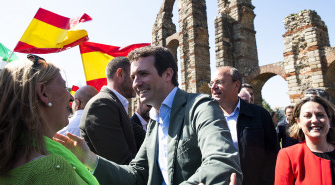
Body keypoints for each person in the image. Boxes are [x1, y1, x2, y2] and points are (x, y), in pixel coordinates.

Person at [55, 46, 242, 185]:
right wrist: (90, 159)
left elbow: (222, 163)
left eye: (143, 74)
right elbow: (137, 174)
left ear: (168, 74)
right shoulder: (155, 122)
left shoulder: (200, 107)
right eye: (134, 76)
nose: (136, 83)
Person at [0, 58, 98, 184]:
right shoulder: (51, 169)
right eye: (64, 87)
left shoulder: (4, 167)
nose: (71, 97)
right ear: (43, 93)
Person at [209, 66, 279, 185]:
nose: (214, 87)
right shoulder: (207, 116)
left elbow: (273, 155)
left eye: (219, 82)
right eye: (211, 83)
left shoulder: (260, 115)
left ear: (236, 85)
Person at [79, 56, 145, 164]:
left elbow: (147, 141)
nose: (138, 83)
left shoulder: (114, 104)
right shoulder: (101, 105)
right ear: (120, 74)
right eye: (133, 77)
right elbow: (121, 163)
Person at [275, 96, 335, 185]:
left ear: (329, 120)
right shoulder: (289, 156)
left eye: (320, 115)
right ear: (298, 122)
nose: (314, 120)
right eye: (307, 116)